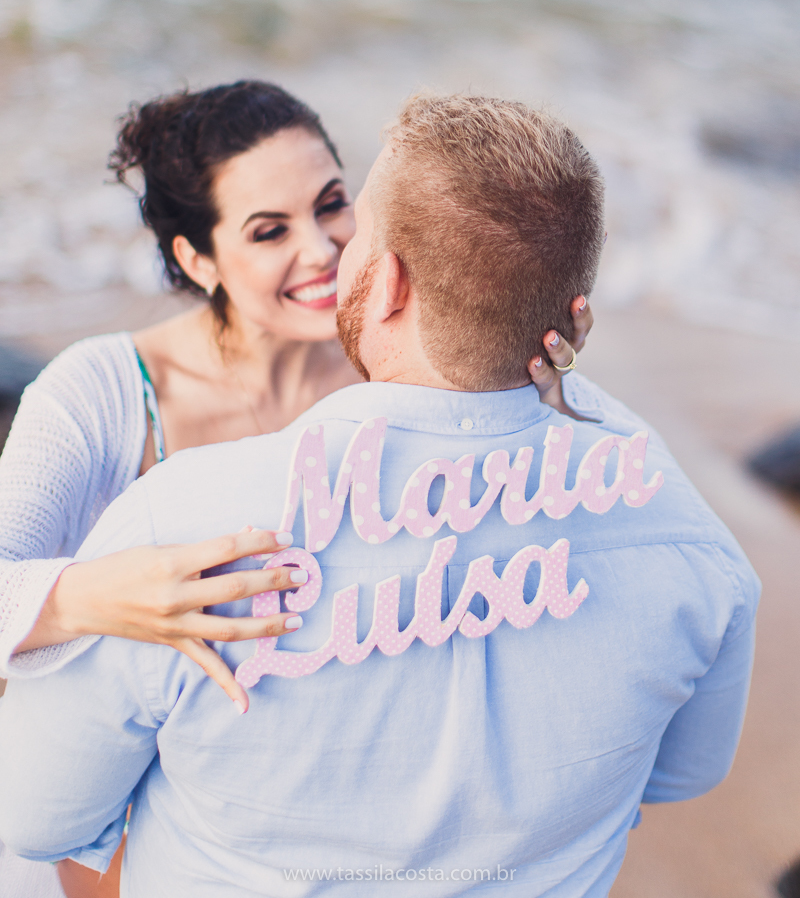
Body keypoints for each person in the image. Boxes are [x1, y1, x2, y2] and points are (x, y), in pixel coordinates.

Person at [0, 93, 759, 897]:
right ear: (197, 261)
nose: (325, 250)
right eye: (268, 230)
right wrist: (88, 593)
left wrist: (550, 371)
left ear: (387, 278)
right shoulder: (102, 401)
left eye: (338, 209)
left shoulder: (433, 370)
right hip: (125, 789)